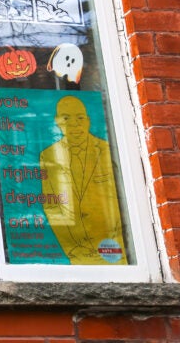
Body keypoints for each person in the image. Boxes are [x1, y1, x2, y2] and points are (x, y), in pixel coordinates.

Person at [40, 95, 127, 265]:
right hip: (77, 253)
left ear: (88, 121)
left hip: (113, 249)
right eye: (66, 118)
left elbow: (123, 199)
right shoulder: (48, 155)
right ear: (57, 122)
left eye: (80, 117)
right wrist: (72, 249)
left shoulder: (106, 150)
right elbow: (51, 206)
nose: (74, 124)